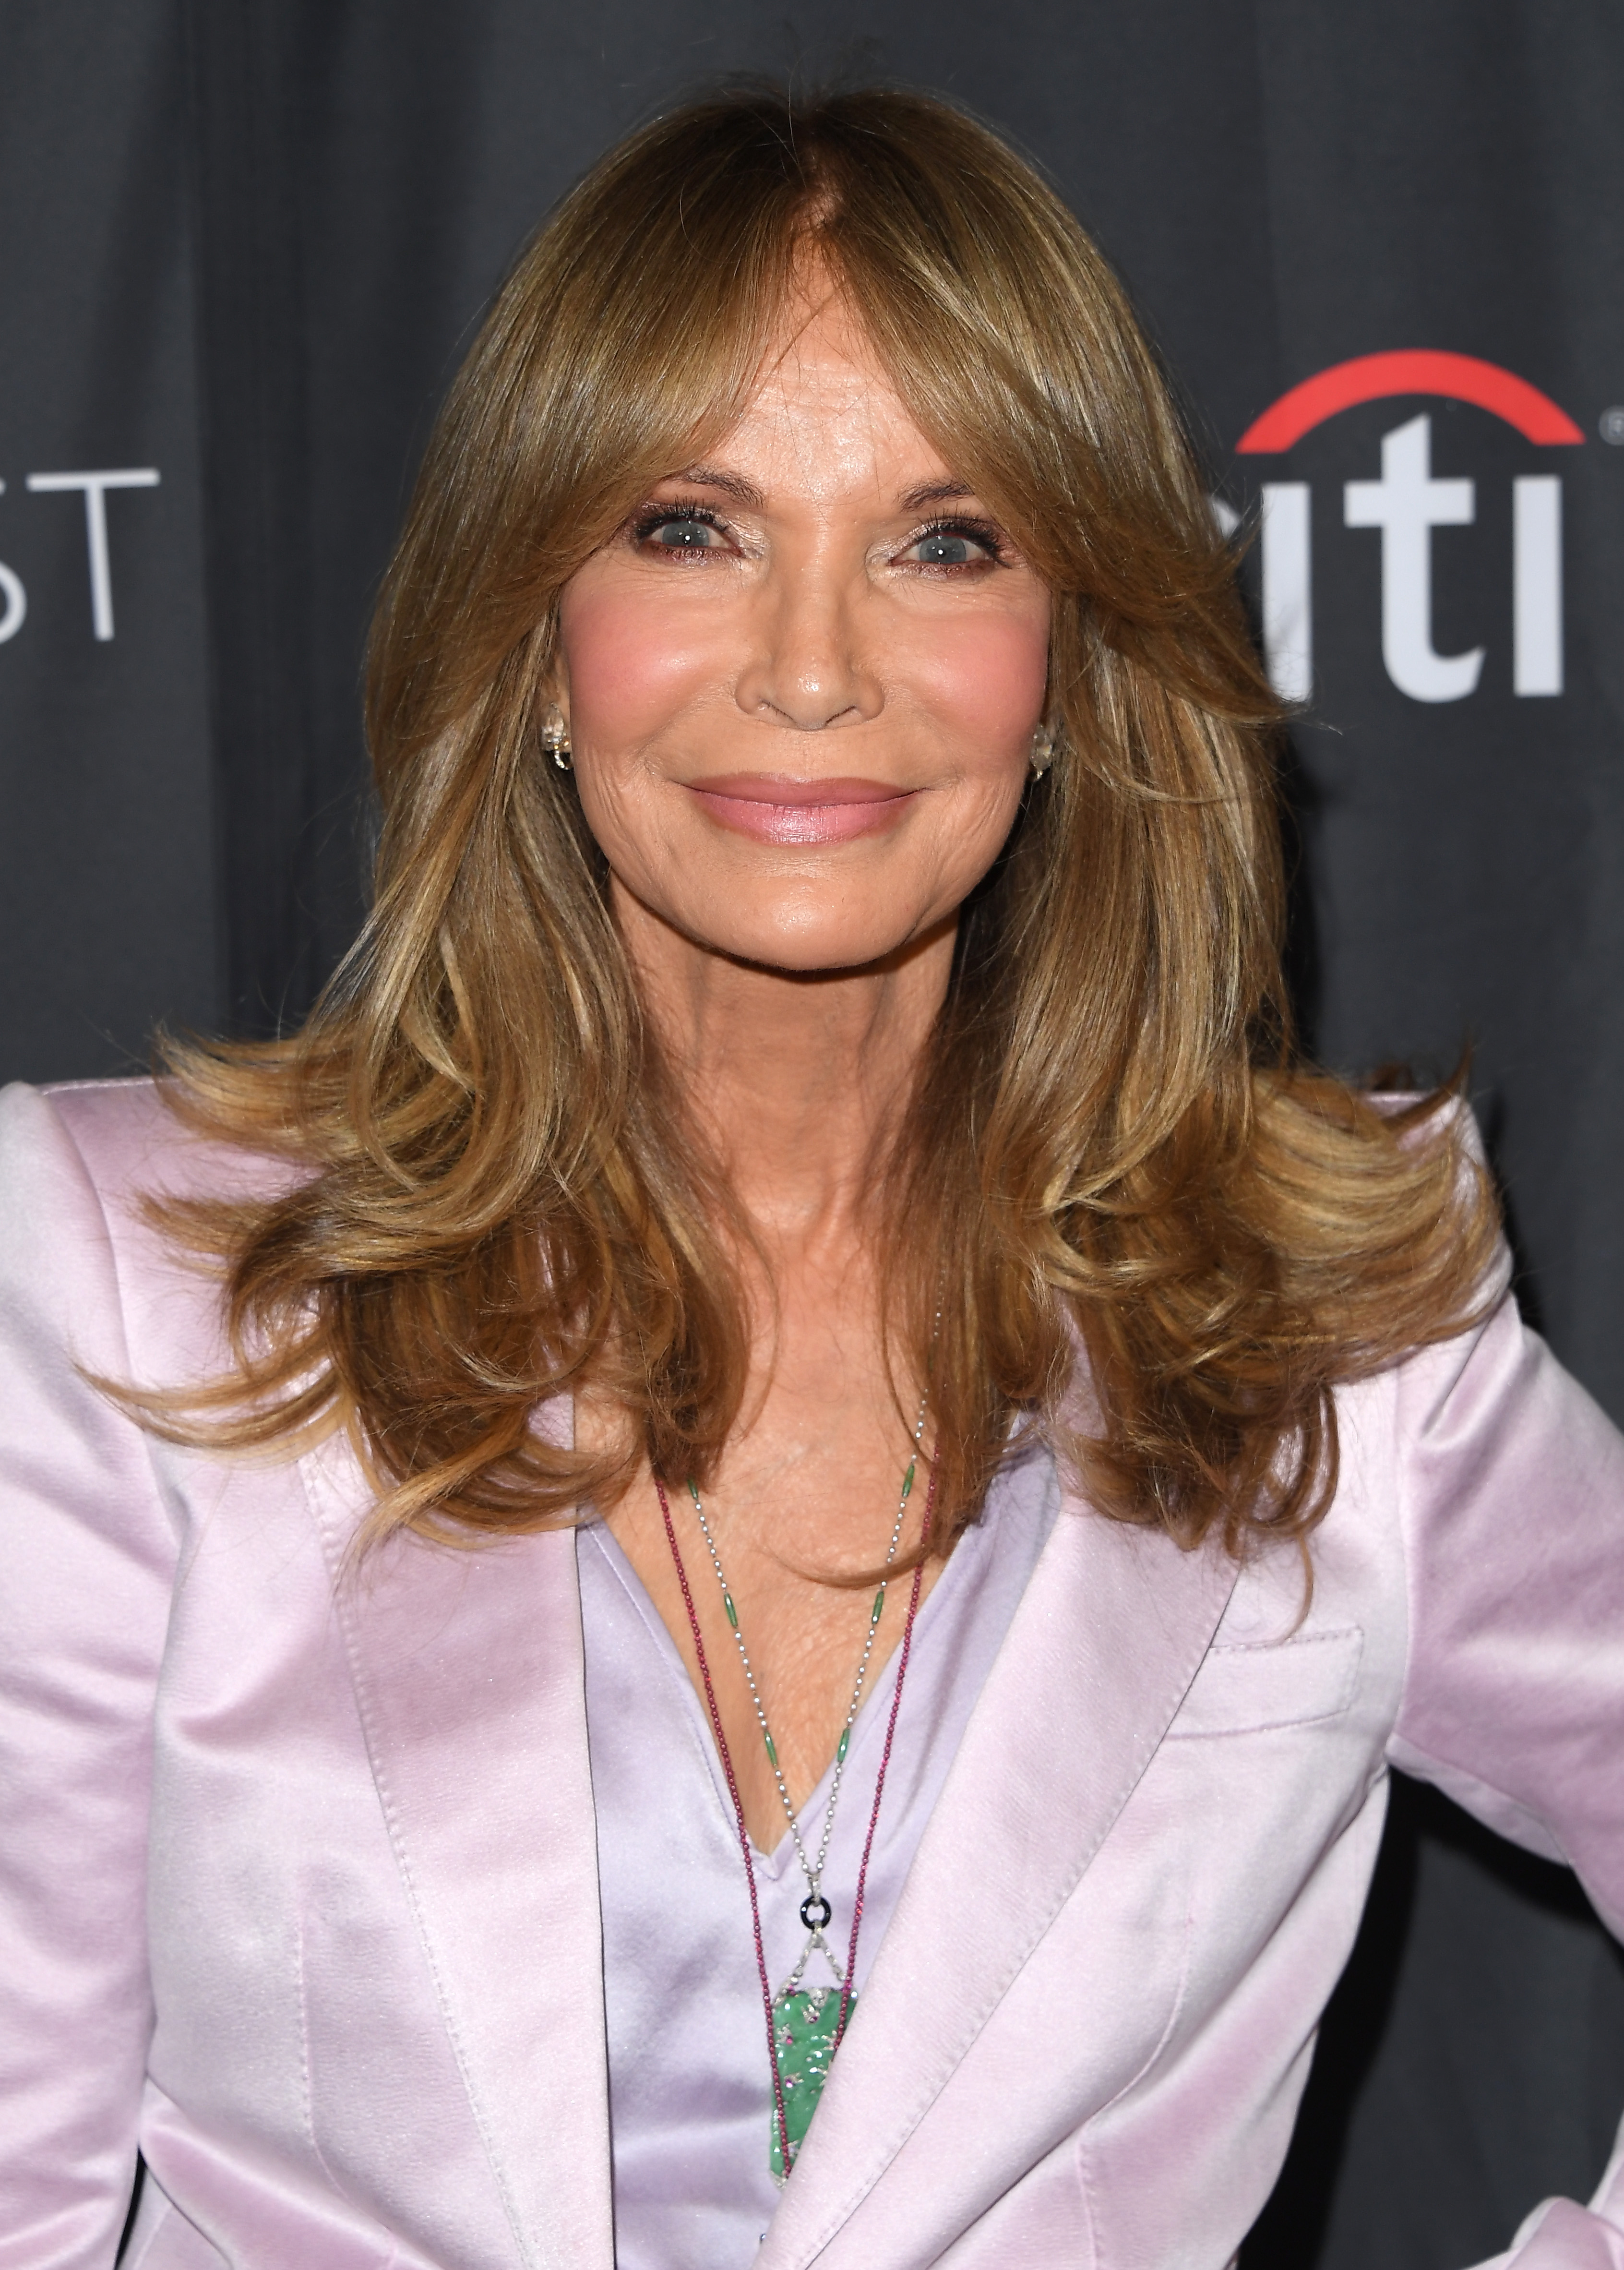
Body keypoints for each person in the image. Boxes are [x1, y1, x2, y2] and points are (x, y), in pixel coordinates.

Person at [1, 83, 1620, 2270]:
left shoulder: (1342, 1342)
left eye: (945, 542)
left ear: (1069, 668)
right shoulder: (130, 1289)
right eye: (692, 524)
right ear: (539, 642)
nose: (812, 663)